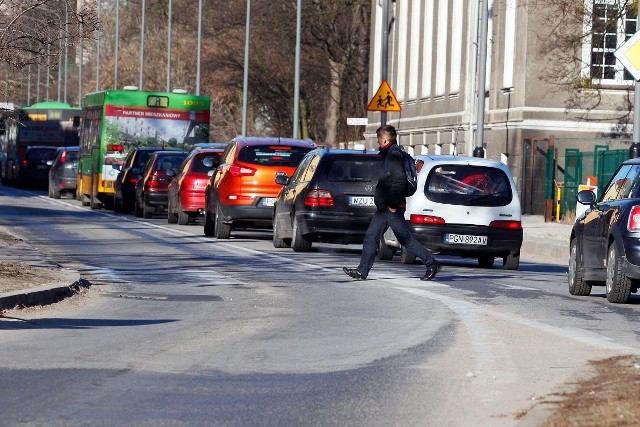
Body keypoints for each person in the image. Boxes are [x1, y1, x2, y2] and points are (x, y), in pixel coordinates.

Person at [343, 125, 442, 281]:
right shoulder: (393, 153)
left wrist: (393, 204)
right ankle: (362, 271)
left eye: (378, 140)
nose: (378, 143)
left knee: (405, 239)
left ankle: (432, 263)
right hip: (385, 208)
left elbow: (399, 181)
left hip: (391, 208)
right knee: (372, 237)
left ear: (384, 140)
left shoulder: (393, 155)